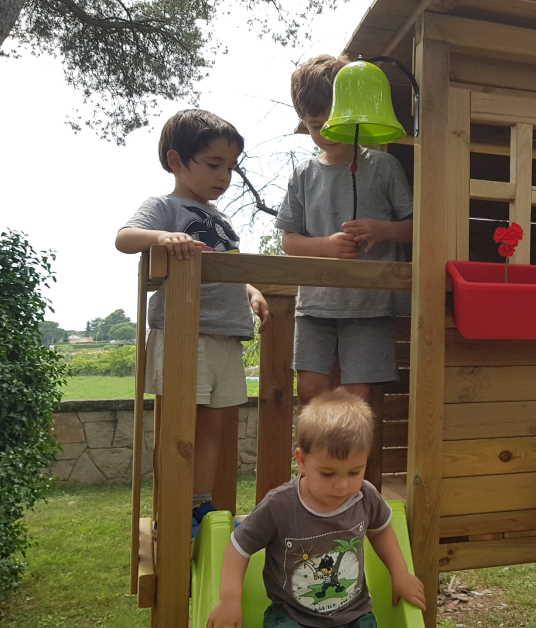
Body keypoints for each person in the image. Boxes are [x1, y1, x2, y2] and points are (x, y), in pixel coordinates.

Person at [115, 109, 269, 534]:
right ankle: (174, 506)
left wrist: (250, 290)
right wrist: (162, 237)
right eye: (214, 164)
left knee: (216, 425)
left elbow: (229, 268)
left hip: (226, 336)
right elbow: (125, 237)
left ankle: (198, 505)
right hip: (186, 334)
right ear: (176, 161)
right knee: (182, 425)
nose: (224, 177)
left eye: (231, 168)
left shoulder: (222, 221)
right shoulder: (164, 207)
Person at [206, 390, 425, 628]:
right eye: (327, 473)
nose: (342, 485)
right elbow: (239, 547)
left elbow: (380, 531)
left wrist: (400, 573)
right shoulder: (280, 506)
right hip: (292, 617)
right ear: (301, 460)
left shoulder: (365, 496)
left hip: (353, 615)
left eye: (354, 471)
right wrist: (230, 599)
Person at [277, 54, 413, 407]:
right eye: (313, 125)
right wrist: (327, 246)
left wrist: (382, 230)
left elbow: (416, 228)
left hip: (370, 305)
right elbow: (289, 241)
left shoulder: (384, 167)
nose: (323, 133)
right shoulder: (302, 174)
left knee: (360, 395)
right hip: (314, 306)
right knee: (310, 388)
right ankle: (314, 463)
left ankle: (356, 465)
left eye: (330, 121)